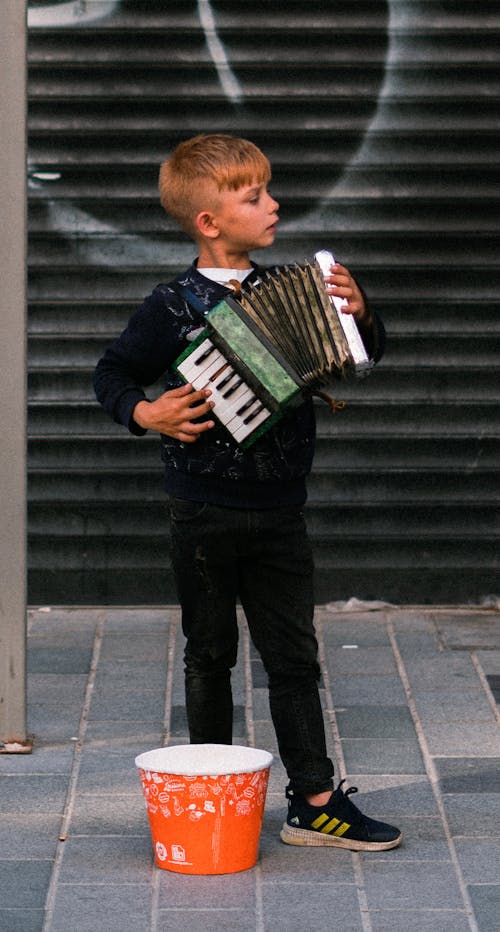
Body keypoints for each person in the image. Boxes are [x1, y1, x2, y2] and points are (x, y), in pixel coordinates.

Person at [94, 134, 401, 852]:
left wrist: (361, 313)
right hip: (199, 507)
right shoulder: (171, 306)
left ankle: (316, 802)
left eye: (268, 192)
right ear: (209, 221)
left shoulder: (291, 288)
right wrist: (144, 413)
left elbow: (364, 355)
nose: (274, 205)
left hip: (280, 511)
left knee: (294, 658)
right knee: (209, 655)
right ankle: (212, 795)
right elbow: (112, 373)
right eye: (254, 196)